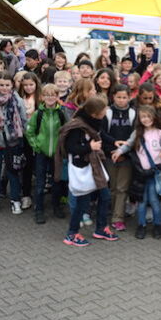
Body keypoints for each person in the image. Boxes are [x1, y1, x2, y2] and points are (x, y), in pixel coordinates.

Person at [56, 96, 118, 247]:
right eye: (103, 111)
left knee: (105, 196)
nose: (106, 112)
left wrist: (113, 141)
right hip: (82, 168)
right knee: (83, 202)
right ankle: (72, 233)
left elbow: (99, 134)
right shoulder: (77, 127)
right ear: (94, 113)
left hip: (94, 166)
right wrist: (90, 147)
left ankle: (101, 228)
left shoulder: (93, 122)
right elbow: (70, 148)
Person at [112, 105, 161, 239]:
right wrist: (119, 151)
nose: (146, 119)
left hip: (154, 173)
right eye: (143, 116)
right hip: (141, 174)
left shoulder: (160, 133)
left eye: (148, 116)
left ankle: (157, 225)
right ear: (139, 118)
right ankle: (141, 225)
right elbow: (129, 144)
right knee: (141, 201)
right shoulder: (137, 133)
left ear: (154, 117)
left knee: (155, 201)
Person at [0, 72, 28, 215]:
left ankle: (15, 199)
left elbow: (23, 120)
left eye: (7, 85)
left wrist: (22, 136)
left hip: (12, 141)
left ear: (12, 85)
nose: (4, 87)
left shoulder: (18, 100)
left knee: (12, 171)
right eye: (1, 84)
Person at [26, 83, 67, 223]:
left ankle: (56, 206)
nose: (50, 98)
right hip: (41, 153)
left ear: (57, 97)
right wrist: (36, 145)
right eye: (47, 95)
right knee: (40, 181)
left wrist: (62, 148)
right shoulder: (38, 113)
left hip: (56, 153)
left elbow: (66, 131)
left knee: (56, 180)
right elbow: (30, 131)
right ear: (42, 97)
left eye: (53, 95)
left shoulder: (61, 113)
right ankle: (39, 209)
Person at [101, 84, 136, 232]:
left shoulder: (133, 114)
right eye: (118, 97)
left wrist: (124, 149)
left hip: (126, 156)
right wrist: (113, 145)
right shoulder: (107, 113)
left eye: (124, 97)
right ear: (113, 97)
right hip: (110, 156)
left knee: (122, 188)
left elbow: (135, 135)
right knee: (113, 187)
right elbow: (101, 132)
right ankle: (114, 211)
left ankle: (118, 218)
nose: (121, 100)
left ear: (129, 97)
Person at [18, 72, 42, 210]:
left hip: (38, 136)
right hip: (24, 136)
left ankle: (38, 196)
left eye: (31, 84)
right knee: (26, 167)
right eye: (25, 85)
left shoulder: (40, 98)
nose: (28, 87)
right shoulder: (19, 98)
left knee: (38, 167)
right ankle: (26, 195)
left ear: (36, 84)